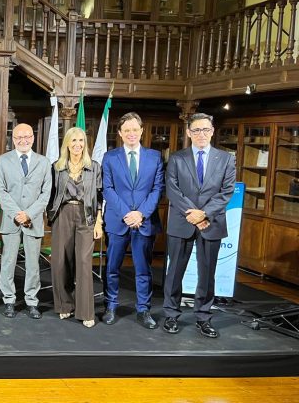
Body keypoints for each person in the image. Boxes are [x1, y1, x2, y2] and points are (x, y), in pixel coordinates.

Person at [163, 113, 236, 338]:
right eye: (196, 130)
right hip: (182, 221)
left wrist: (204, 214)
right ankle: (171, 314)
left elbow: (226, 192)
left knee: (207, 274)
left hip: (211, 222)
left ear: (212, 131)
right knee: (175, 271)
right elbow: (172, 190)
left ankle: (203, 317)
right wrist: (192, 214)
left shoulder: (226, 159)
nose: (201, 134)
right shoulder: (176, 158)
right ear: (189, 133)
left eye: (205, 130)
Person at [101, 112, 164, 329]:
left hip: (144, 222)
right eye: (126, 130)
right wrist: (127, 213)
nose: (131, 134)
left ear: (141, 131)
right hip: (118, 220)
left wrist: (141, 214)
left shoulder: (155, 157)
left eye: (135, 129)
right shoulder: (110, 157)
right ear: (120, 133)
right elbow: (107, 189)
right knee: (112, 267)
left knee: (143, 269)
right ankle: (110, 306)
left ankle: (143, 310)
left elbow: (157, 189)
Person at [47, 127, 103, 328]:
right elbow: (51, 194)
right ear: (67, 144)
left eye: (81, 140)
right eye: (73, 140)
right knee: (61, 262)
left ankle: (86, 311)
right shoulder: (57, 167)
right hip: (63, 215)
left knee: (83, 263)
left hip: (86, 217)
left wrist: (98, 222)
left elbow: (100, 197)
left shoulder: (94, 167)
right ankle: (64, 305)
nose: (77, 144)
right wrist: (51, 216)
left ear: (85, 144)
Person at [0, 123, 52, 319]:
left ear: (33, 138)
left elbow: (46, 194)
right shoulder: (2, 161)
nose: (23, 140)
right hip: (11, 220)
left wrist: (28, 214)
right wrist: (17, 213)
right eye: (19, 137)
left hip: (33, 220)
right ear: (13, 139)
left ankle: (31, 301)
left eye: (27, 136)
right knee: (8, 261)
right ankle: (9, 300)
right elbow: (0, 190)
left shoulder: (44, 163)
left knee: (33, 264)